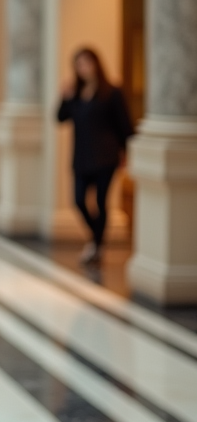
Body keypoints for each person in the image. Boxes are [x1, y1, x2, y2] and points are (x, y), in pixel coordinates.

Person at [57, 47, 134, 265]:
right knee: (79, 200)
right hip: (82, 157)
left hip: (105, 157)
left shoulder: (112, 92)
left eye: (87, 63)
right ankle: (96, 240)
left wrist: (125, 154)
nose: (83, 68)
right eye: (79, 64)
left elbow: (124, 127)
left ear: (96, 64)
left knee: (101, 202)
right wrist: (64, 97)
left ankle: (96, 245)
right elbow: (60, 118)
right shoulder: (76, 94)